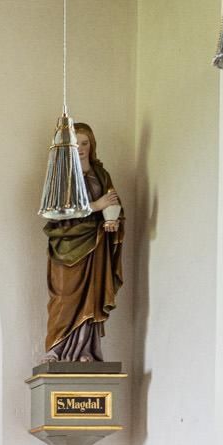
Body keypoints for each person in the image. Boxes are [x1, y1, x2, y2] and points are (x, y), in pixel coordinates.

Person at [44, 122, 124, 362]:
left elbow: (113, 204)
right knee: (65, 295)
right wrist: (95, 206)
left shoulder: (101, 174)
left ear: (92, 145)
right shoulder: (60, 176)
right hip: (66, 244)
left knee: (91, 295)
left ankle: (85, 350)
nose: (80, 148)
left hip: (95, 242)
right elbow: (53, 212)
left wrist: (111, 220)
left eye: (85, 143)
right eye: (75, 144)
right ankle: (57, 349)